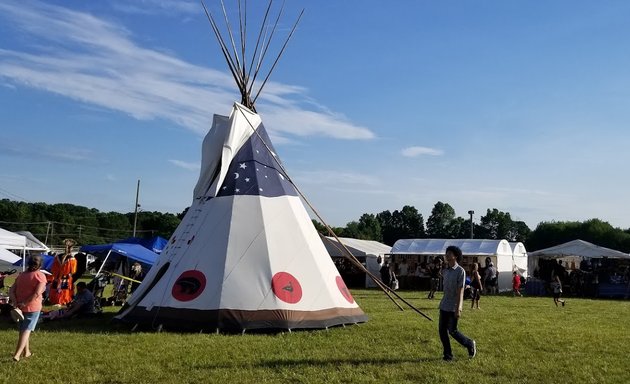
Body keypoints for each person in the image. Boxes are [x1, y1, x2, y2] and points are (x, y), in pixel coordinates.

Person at [438, 246, 476, 361]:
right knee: (442, 331)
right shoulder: (445, 271)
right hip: (444, 304)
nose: (447, 255)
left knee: (453, 331)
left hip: (453, 306)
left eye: (449, 253)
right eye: (446, 253)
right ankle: (448, 356)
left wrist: (458, 308)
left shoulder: (460, 271)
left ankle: (469, 344)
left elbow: (461, 291)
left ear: (456, 256)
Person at [9, 255, 47, 362]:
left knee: (23, 330)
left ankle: (27, 352)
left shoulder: (21, 275)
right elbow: (37, 293)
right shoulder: (40, 276)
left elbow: (11, 290)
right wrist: (24, 303)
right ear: (40, 265)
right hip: (32, 307)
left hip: (19, 307)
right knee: (26, 331)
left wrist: (16, 303)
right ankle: (17, 354)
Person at [49, 239, 78, 305]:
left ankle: (56, 300)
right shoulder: (72, 259)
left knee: (56, 288)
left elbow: (53, 269)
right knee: (64, 289)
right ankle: (63, 300)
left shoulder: (57, 257)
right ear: (71, 249)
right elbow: (73, 271)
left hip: (57, 277)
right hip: (66, 277)